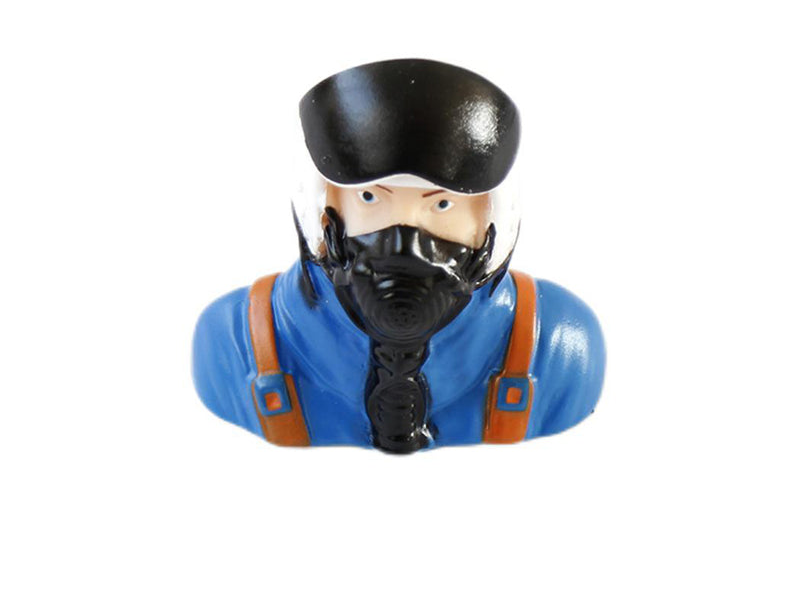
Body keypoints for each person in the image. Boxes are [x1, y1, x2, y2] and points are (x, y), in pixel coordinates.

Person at [192, 58, 605, 453]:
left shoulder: (556, 348)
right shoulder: (234, 344)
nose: (404, 235)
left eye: (441, 204)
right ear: (324, 207)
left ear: (488, 218)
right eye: (370, 199)